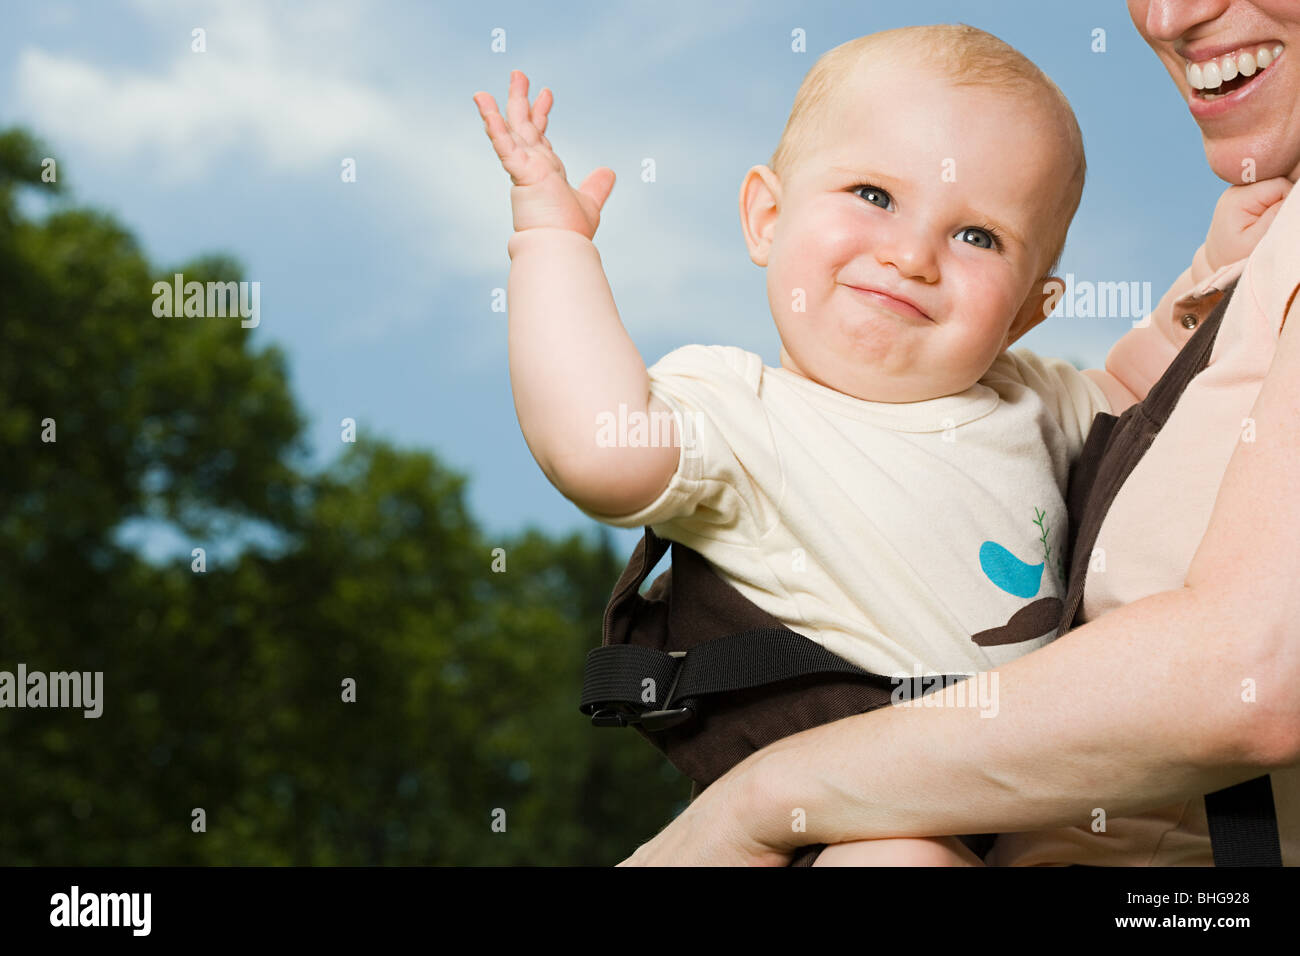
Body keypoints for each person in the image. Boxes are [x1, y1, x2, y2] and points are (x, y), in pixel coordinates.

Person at [474, 20, 1282, 865]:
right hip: (835, 824)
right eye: (873, 194)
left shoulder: (1027, 398)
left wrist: (1217, 268)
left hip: (1010, 802)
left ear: (1026, 313)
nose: (912, 255)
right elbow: (597, 449)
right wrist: (553, 246)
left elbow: (1135, 403)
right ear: (767, 217)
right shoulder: (743, 412)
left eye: (978, 237)